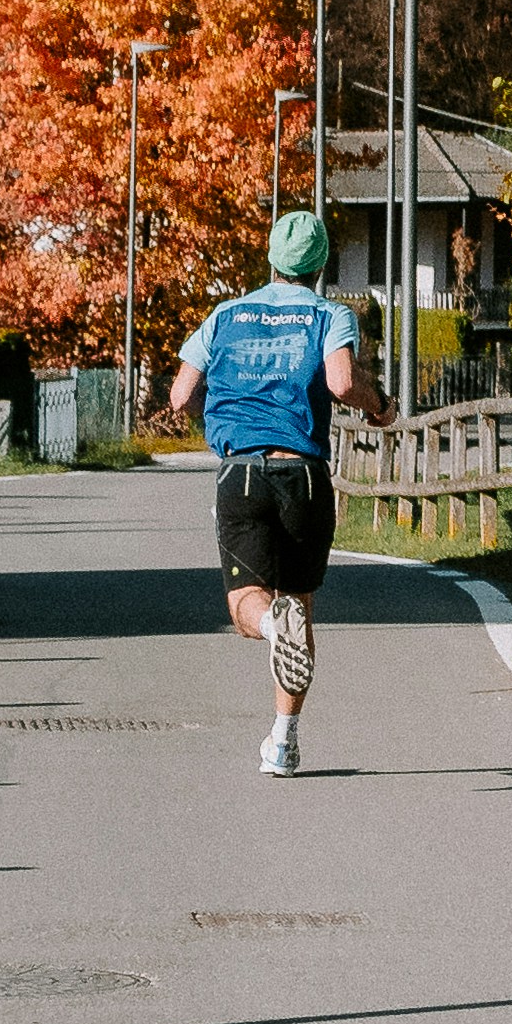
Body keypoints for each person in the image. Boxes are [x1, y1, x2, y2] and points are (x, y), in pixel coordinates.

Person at [164, 212, 388, 777]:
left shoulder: (224, 314)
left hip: (240, 471)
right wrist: (378, 403)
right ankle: (283, 742)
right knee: (300, 606)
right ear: (319, 266)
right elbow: (340, 383)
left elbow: (180, 393)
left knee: (247, 607)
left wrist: (218, 420)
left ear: (269, 258)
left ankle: (269, 629)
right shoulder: (328, 314)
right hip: (305, 475)